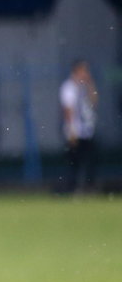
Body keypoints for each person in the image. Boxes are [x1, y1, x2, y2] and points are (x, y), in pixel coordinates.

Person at [60, 59, 99, 193]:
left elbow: (94, 101)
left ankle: (90, 187)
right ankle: (73, 188)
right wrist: (71, 130)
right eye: (83, 70)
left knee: (90, 161)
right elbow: (68, 109)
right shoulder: (68, 87)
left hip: (87, 130)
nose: (86, 73)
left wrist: (90, 85)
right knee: (74, 162)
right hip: (75, 130)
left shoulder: (85, 87)